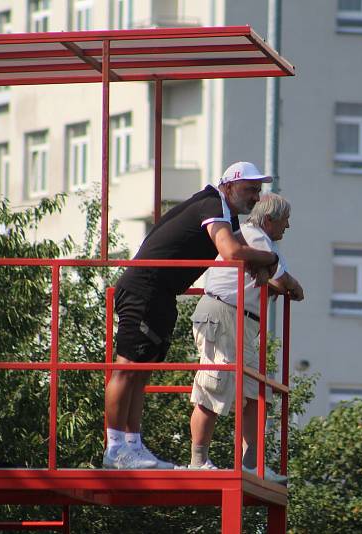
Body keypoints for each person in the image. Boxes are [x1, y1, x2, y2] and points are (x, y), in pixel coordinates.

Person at [103, 161, 280, 469]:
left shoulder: (227, 213)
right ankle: (114, 449)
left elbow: (241, 252)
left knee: (141, 374)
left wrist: (264, 268)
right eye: (251, 189)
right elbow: (232, 253)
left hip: (162, 293)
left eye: (259, 190)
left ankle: (132, 446)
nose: (256, 196)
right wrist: (271, 257)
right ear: (229, 186)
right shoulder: (211, 202)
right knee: (127, 370)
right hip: (144, 287)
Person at [189, 193, 303, 484]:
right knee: (214, 386)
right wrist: (291, 284)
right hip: (224, 315)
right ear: (269, 219)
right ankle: (197, 461)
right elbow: (285, 281)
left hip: (239, 321)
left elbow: (275, 277)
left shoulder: (261, 241)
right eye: (284, 220)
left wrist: (272, 275)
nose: (288, 226)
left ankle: (251, 464)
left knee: (255, 392)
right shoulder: (255, 236)